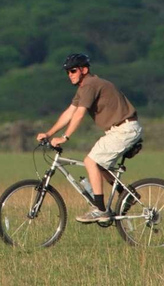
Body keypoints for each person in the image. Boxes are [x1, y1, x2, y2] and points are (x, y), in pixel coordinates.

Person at [36, 53, 142, 223]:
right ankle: (126, 194)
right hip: (118, 130)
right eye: (68, 72)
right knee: (98, 162)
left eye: (73, 71)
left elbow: (79, 114)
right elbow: (69, 112)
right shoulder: (84, 88)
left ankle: (100, 210)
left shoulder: (90, 85)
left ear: (84, 70)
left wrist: (65, 137)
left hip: (125, 129)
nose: (70, 75)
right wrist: (49, 134)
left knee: (90, 161)